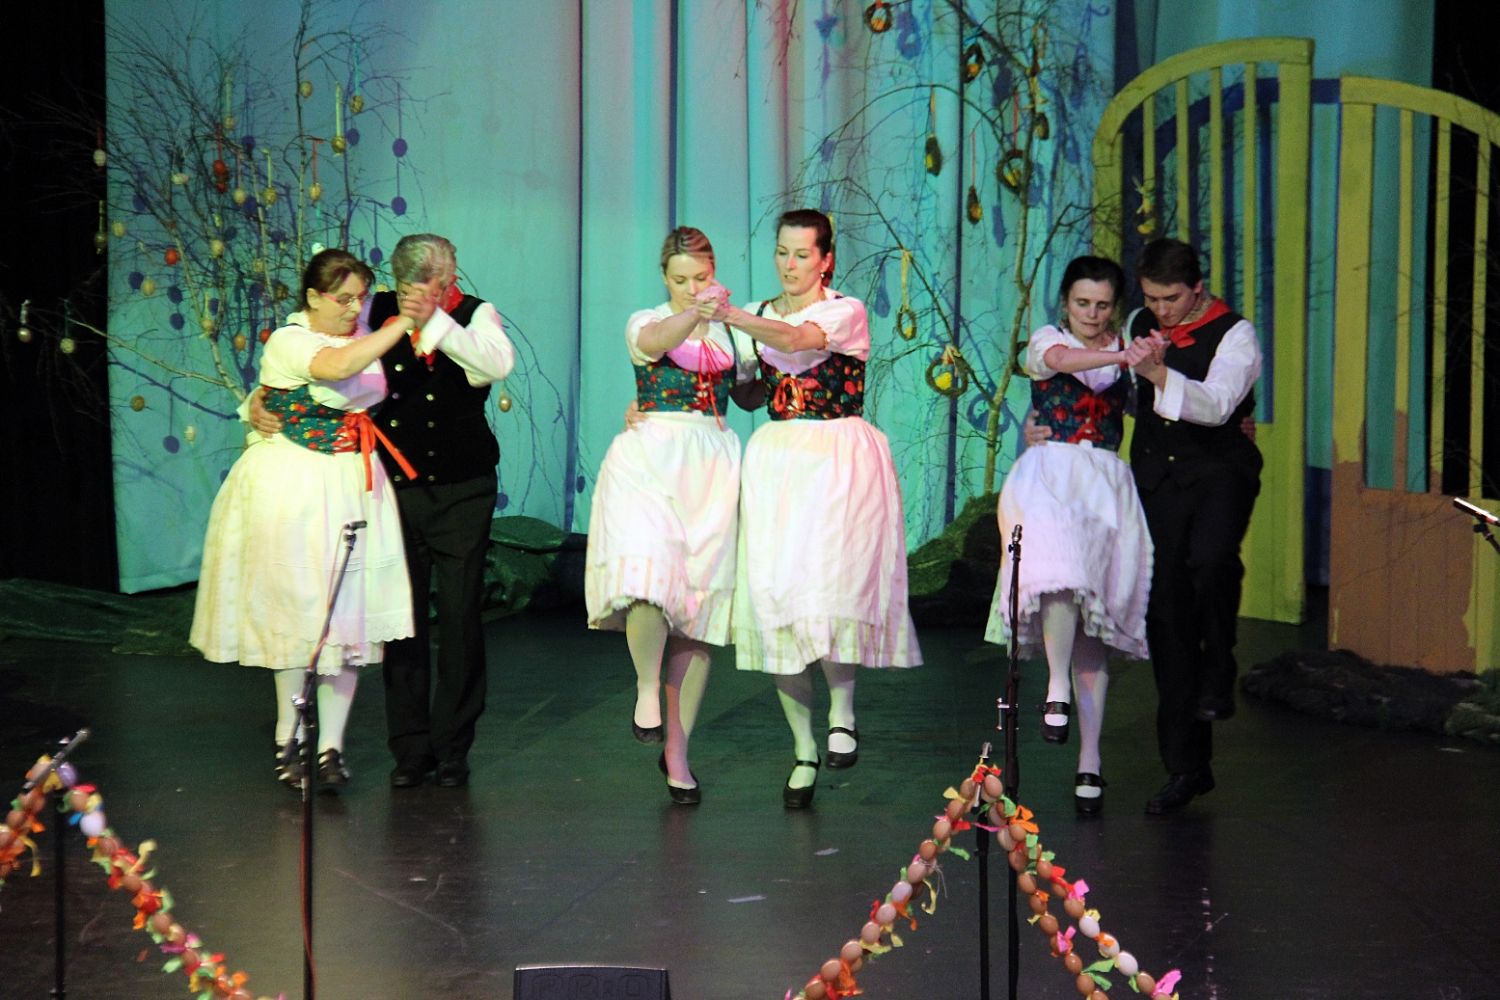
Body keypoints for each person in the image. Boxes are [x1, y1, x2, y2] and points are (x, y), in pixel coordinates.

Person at [251, 234, 515, 790]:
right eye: (416, 284)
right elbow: (312, 363)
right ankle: (410, 749)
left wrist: (434, 321)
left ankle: (453, 747)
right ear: (398, 280)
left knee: (461, 616)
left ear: (451, 275)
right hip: (392, 488)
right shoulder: (372, 312)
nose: (429, 291)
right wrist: (255, 403)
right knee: (401, 619)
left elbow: (491, 366)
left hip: (462, 488)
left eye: (439, 281)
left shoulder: (475, 314)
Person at [699, 208, 922, 809]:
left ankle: (842, 711)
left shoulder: (844, 310)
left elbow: (798, 340)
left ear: (826, 260)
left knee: (833, 584)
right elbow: (751, 392)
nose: (789, 265)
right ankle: (802, 748)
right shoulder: (757, 314)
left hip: (836, 455)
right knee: (778, 596)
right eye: (782, 252)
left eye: (802, 254)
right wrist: (733, 363)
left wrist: (732, 317)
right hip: (778, 459)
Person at [191, 248, 418, 791]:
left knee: (347, 620)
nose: (354, 308)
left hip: (351, 482)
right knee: (298, 617)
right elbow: (333, 369)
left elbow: (353, 370)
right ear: (313, 297)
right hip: (296, 484)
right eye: (343, 299)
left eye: (361, 298)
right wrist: (403, 323)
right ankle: (288, 738)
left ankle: (331, 748)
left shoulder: (360, 334)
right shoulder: (290, 339)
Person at [585, 226, 755, 806]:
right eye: (680, 279)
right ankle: (645, 689)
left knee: (697, 614)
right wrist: (696, 312)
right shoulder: (647, 320)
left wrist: (751, 334)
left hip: (711, 464)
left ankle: (678, 752)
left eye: (701, 277)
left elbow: (754, 392)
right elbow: (656, 342)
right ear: (664, 277)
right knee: (647, 582)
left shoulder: (731, 330)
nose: (691, 287)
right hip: (651, 457)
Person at [985, 256, 1155, 816]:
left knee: (1092, 627)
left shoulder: (1127, 353)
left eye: (1102, 305)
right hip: (1050, 473)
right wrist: (1120, 356)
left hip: (1102, 482)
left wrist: (1137, 362)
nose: (1092, 313)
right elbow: (1060, 362)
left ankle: (1090, 759)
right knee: (1060, 571)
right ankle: (1055, 686)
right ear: (1066, 303)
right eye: (1082, 303)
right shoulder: (1048, 341)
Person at [1126, 238, 1262, 815]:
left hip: (1217, 473)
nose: (1161, 310)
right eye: (1152, 298)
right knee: (1167, 614)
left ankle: (1221, 663)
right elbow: (1118, 389)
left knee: (1210, 561)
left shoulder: (1235, 333)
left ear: (1197, 289)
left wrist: (1159, 374)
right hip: (1159, 480)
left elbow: (1217, 404)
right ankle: (1187, 767)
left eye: (1172, 298)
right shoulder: (1139, 324)